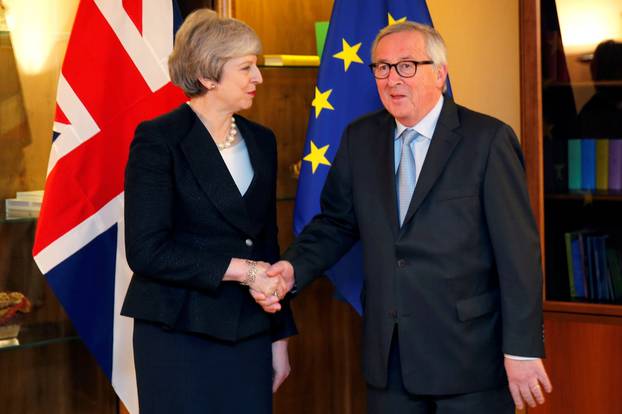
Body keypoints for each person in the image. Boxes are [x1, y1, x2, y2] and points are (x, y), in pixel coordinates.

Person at [255, 21, 552, 413]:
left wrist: (522, 348)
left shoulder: (488, 140)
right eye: (382, 67)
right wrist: (293, 268)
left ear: (440, 74)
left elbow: (519, 255)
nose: (392, 78)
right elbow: (336, 224)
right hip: (390, 358)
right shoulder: (360, 139)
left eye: (407, 65)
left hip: (469, 359)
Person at [121, 9, 296, 414]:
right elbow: (147, 251)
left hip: (250, 331)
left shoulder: (262, 140)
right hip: (179, 333)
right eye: (247, 67)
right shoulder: (158, 139)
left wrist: (279, 338)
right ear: (208, 76)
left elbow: (268, 241)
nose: (259, 78)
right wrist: (244, 271)